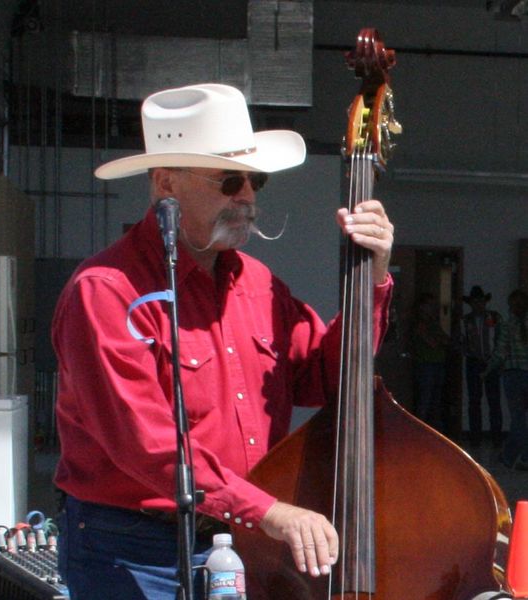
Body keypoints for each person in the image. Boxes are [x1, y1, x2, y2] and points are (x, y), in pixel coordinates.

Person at [52, 83, 394, 599]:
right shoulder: (105, 290)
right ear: (166, 184)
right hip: (133, 548)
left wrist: (372, 277)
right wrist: (269, 511)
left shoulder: (259, 283)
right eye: (230, 180)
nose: (248, 197)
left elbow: (327, 379)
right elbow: (148, 446)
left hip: (237, 541)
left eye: (254, 180)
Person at [483, 288, 528, 469]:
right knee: (522, 420)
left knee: (517, 419)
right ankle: (513, 456)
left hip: (513, 376)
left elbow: (500, 353)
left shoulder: (508, 325)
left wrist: (487, 371)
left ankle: (515, 456)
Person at [461, 285, 503, 447]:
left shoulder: (495, 317)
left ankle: (497, 437)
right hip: (473, 362)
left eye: (481, 302)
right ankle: (475, 438)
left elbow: (501, 338)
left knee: (494, 400)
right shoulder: (465, 320)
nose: (478, 305)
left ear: (485, 303)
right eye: (475, 302)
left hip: (492, 362)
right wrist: (470, 352)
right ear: (471, 304)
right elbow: (462, 341)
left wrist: (497, 359)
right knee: (474, 400)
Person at [411, 292, 450, 429]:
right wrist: (439, 339)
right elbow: (432, 342)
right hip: (426, 366)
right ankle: (419, 430)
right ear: (422, 307)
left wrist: (440, 339)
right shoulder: (420, 324)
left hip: (438, 363)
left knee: (436, 401)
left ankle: (435, 431)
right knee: (425, 400)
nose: (433, 307)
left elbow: (446, 339)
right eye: (430, 305)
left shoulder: (434, 323)